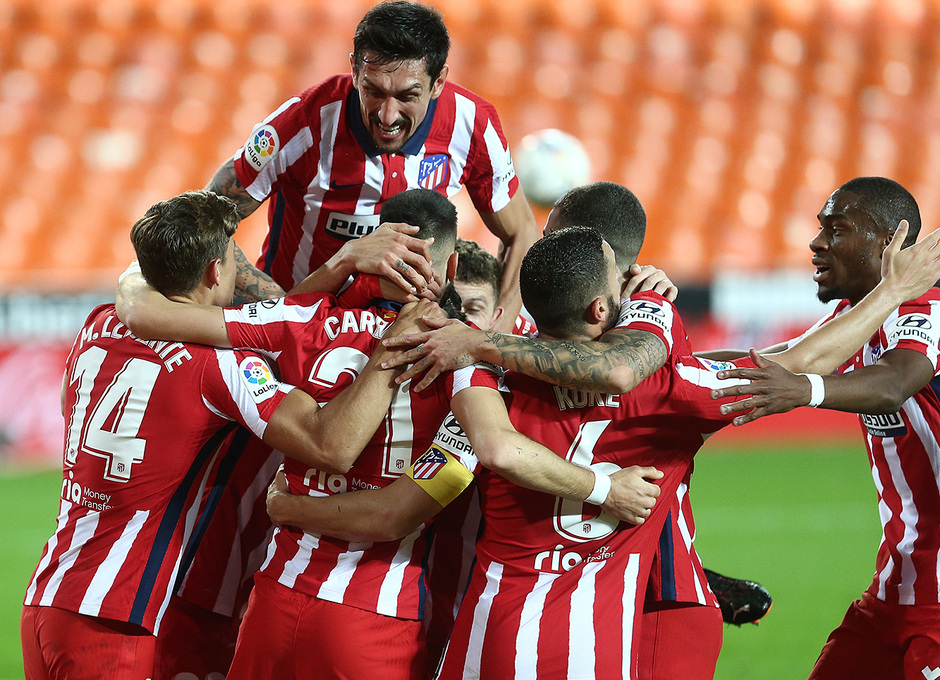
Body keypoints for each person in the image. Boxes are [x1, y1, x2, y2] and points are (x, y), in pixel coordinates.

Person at [265, 220, 940, 678]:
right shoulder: (671, 396)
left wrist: (291, 507)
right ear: (601, 308)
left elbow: (433, 486)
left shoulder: (479, 377)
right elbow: (785, 365)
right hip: (590, 648)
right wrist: (895, 293)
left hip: (482, 641)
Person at [115, 189, 651, 680]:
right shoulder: (465, 363)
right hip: (376, 615)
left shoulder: (307, 320)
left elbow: (154, 314)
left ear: (377, 253)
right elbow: (401, 512)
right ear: (455, 264)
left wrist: (131, 280)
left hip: (275, 599)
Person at [19, 191, 421, 680]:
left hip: (47, 597)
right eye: (233, 258)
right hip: (114, 616)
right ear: (214, 271)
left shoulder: (99, 323)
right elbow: (329, 445)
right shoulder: (220, 366)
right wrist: (391, 350)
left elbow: (69, 405)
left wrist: (336, 267)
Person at [709, 177, 940, 680]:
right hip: (896, 593)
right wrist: (657, 359)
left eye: (836, 230)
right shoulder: (853, 319)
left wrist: (807, 391)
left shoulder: (930, 306)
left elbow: (895, 380)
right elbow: (769, 362)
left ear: (888, 243)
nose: (817, 244)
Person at [207, 0, 539, 329]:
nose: (387, 115)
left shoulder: (473, 124)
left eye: (408, 96)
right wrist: (280, 309)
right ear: (354, 70)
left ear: (438, 82)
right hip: (303, 329)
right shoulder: (303, 123)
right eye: (373, 90)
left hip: (403, 333)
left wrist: (496, 332)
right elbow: (203, 220)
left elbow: (521, 230)